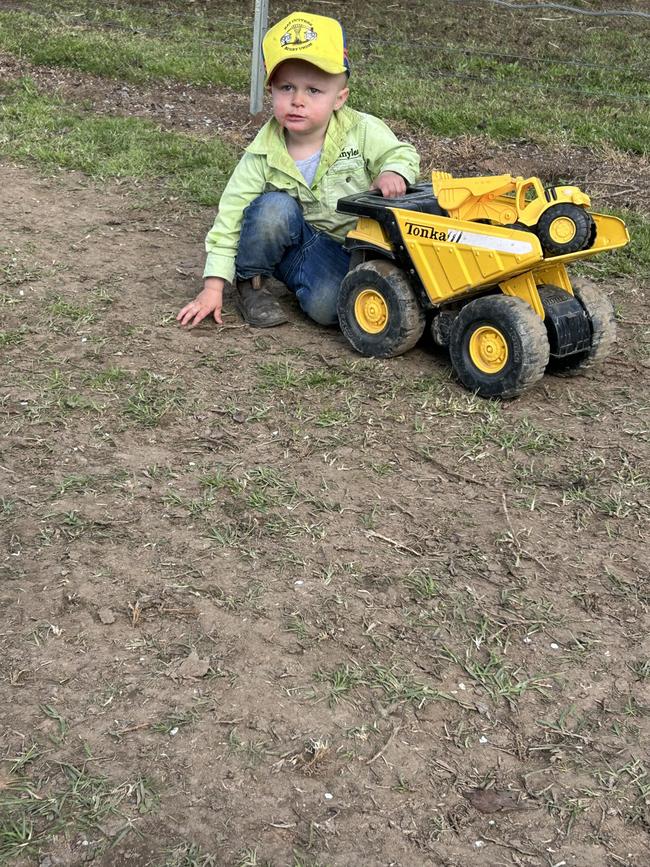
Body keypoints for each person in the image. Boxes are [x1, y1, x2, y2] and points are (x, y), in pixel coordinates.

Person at [177, 10, 419, 330]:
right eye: (287, 87)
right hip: (296, 230)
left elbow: (400, 153)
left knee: (333, 310)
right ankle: (252, 282)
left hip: (353, 247)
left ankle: (302, 269)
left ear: (339, 97)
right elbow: (230, 214)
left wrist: (394, 172)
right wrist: (212, 287)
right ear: (272, 90)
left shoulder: (361, 130)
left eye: (313, 90)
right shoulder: (262, 153)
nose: (297, 101)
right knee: (272, 209)